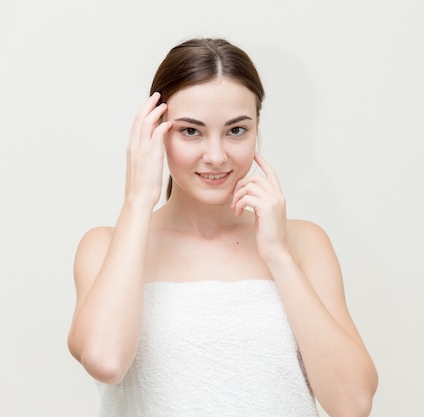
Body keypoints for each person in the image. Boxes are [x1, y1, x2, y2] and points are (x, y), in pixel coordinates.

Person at [67, 38, 378, 417]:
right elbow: (105, 360)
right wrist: (137, 200)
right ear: (156, 131)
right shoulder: (104, 247)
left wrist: (278, 255)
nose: (215, 157)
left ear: (257, 127)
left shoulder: (304, 243)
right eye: (191, 131)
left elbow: (353, 404)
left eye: (236, 131)